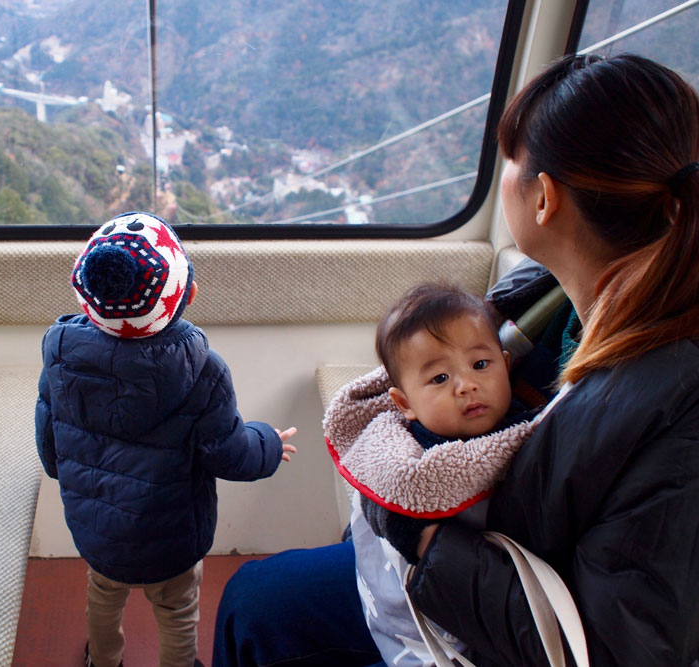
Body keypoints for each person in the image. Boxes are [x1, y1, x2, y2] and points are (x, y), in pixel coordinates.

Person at [213, 53, 699, 667]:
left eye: (512, 163)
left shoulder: (678, 405)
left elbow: (619, 646)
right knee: (254, 605)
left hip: (512, 622)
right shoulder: (548, 297)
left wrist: (422, 537)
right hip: (480, 558)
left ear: (543, 197)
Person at [36, 211, 298, 667]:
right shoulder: (202, 370)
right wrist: (269, 444)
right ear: (189, 294)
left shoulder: (60, 355)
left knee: (102, 596)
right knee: (178, 610)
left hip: (95, 528)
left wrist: (71, 477)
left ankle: (103, 659)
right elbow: (230, 453)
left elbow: (49, 441)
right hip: (171, 536)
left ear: (87, 298)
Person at [322, 282, 538, 667]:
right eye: (439, 379)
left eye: (481, 365)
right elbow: (385, 489)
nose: (467, 384)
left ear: (507, 365)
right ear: (405, 404)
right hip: (399, 596)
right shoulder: (406, 452)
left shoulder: (532, 435)